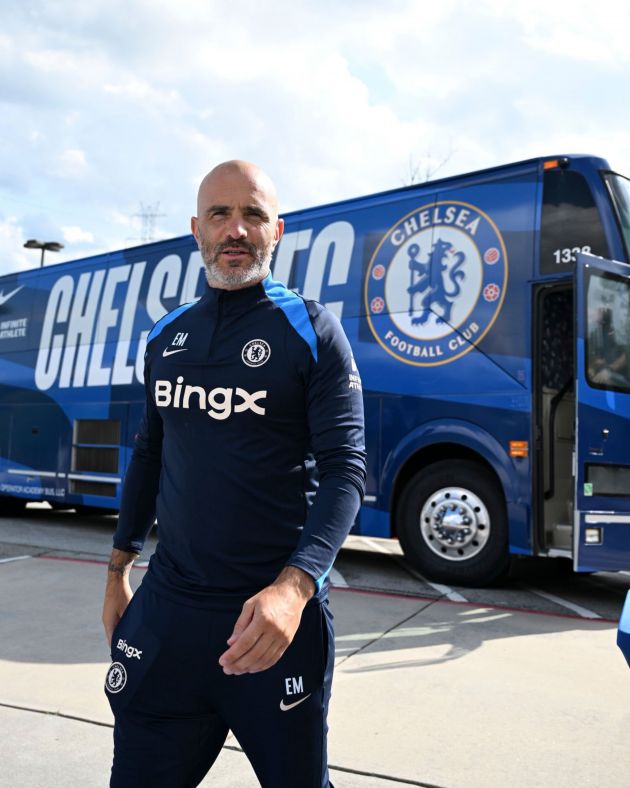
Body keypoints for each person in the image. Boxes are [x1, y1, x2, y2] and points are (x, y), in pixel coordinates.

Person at [102, 160, 366, 788]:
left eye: (252, 214)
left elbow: (345, 471)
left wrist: (295, 589)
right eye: (221, 213)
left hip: (269, 623)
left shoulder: (313, 331)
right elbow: (149, 454)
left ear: (278, 230)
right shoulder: (166, 336)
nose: (236, 229)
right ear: (197, 228)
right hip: (168, 616)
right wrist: (117, 569)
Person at [589, 306, 628, 387]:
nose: (593, 313)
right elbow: (600, 360)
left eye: (599, 310)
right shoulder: (596, 332)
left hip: (621, 378)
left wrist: (609, 370)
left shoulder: (616, 331)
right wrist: (592, 368)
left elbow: (625, 357)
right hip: (605, 371)